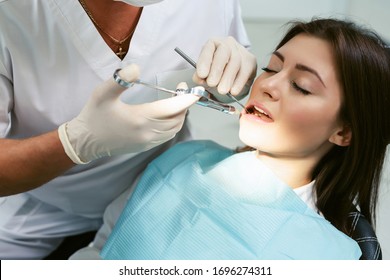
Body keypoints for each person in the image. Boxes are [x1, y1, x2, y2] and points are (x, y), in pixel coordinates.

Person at [72, 18, 390, 260]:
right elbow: (103, 249)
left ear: (344, 132)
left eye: (302, 86)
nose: (269, 85)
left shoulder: (331, 256)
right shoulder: (182, 160)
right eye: (271, 67)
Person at [0, 0, 257, 259]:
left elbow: (224, 64)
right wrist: (74, 143)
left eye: (300, 86)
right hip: (37, 202)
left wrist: (228, 84)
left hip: (154, 192)